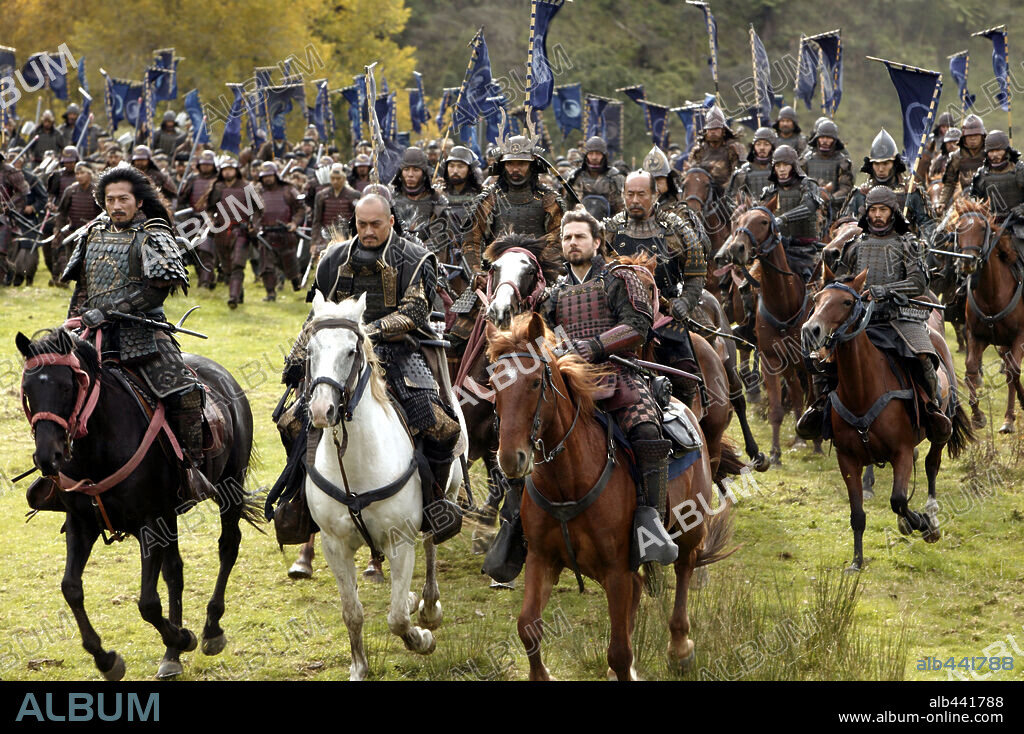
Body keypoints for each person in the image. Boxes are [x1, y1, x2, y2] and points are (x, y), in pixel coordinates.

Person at [281, 193, 462, 542]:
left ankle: (434, 504)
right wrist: (297, 356)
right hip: (338, 354)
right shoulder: (333, 258)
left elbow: (414, 312)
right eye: (361, 224)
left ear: (390, 221)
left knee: (440, 426)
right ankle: (302, 504)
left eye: (375, 224)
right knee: (291, 421)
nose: (367, 231)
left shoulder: (414, 257)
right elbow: (317, 315)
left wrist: (366, 332)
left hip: (400, 353)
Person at [60, 165, 218, 502]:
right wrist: (73, 325)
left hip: (143, 333)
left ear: (139, 202)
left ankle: (191, 470)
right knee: (58, 388)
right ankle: (59, 474)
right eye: (110, 199)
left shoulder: (155, 235)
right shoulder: (91, 234)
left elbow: (155, 291)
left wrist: (110, 310)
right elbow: (82, 289)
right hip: (92, 332)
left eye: (123, 199)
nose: (116, 205)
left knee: (184, 391)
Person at [549, 207, 679, 564]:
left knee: (647, 432)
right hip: (568, 380)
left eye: (579, 236)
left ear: (597, 241)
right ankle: (517, 524)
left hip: (618, 373)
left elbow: (638, 324)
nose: (572, 243)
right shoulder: (555, 292)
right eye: (566, 237)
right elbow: (545, 335)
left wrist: (595, 345)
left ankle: (650, 525)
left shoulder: (618, 278)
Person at [798, 186, 953, 444]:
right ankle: (820, 405)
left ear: (892, 212)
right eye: (873, 210)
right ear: (866, 213)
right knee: (822, 358)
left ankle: (931, 409)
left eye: (882, 210)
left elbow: (917, 283)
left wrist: (886, 289)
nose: (877, 215)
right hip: (859, 320)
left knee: (924, 356)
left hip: (899, 317)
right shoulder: (856, 245)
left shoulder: (908, 244)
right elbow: (843, 281)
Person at [602, 171, 707, 406]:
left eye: (641, 194)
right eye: (630, 194)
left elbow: (696, 273)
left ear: (655, 194)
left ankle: (686, 426)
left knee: (685, 373)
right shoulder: (609, 230)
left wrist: (685, 302)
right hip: (619, 317)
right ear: (623, 195)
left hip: (665, 318)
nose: (635, 200)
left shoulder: (676, 228)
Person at [843, 128, 934, 242]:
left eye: (886, 163)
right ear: (871, 165)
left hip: (905, 253)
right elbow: (845, 224)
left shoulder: (910, 191)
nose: (881, 169)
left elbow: (928, 224)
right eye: (877, 164)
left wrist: (923, 244)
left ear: (894, 164)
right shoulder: (860, 193)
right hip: (866, 252)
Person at [758, 145, 822, 282]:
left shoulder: (808, 185)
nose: (781, 169)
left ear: (793, 166)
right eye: (778, 165)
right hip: (775, 247)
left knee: (813, 285)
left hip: (804, 250)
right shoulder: (770, 191)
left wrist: (783, 218)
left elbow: (809, 206)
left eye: (785, 165)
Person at [197, 157, 253, 308]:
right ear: (221, 171)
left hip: (240, 231)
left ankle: (233, 298)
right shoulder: (218, 187)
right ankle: (238, 293)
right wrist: (210, 220)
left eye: (230, 169)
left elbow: (258, 209)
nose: (228, 172)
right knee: (227, 267)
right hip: (221, 231)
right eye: (225, 169)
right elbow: (209, 208)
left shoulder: (245, 187)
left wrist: (254, 225)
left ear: (236, 170)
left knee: (237, 265)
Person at [252, 161, 304, 301]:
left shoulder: (288, 189)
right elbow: (255, 212)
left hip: (285, 232)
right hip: (267, 233)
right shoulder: (258, 192)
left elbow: (300, 209)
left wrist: (294, 223)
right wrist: (256, 227)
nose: (267, 179)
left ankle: (296, 283)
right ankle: (270, 293)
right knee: (266, 265)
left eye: (270, 175)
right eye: (265, 176)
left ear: (275, 175)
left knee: (289, 261)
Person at [969, 129, 1024, 260]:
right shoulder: (981, 175)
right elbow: (973, 199)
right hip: (990, 227)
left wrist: (1022, 209)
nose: (994, 155)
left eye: (998, 150)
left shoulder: (1020, 171)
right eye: (991, 151)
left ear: (1006, 150)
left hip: (1018, 226)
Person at [390, 146, 450, 257]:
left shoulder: (437, 201)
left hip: (425, 258)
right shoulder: (390, 199)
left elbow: (438, 241)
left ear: (423, 172)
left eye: (416, 170)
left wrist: (415, 253)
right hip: (393, 256)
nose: (410, 174)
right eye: (406, 169)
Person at [52, 162, 102, 282]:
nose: (79, 176)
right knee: (60, 250)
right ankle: (62, 279)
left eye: (82, 173)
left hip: (91, 232)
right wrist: (58, 229)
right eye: (77, 173)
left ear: (89, 174)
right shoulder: (71, 190)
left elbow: (102, 214)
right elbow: (61, 213)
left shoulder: (97, 191)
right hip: (72, 229)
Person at [177, 150, 220, 288]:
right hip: (193, 220)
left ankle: (205, 282)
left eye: (209, 164)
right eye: (204, 164)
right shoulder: (193, 179)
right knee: (193, 251)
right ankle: (207, 277)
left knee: (206, 251)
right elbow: (182, 199)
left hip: (212, 221)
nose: (206, 167)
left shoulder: (219, 180)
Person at [800, 119, 853, 222]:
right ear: (817, 139)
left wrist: (830, 198)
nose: (825, 141)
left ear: (834, 140)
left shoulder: (842, 162)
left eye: (828, 138)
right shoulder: (806, 160)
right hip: (808, 206)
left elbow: (846, 187)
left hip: (834, 209)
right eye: (822, 137)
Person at [310, 162, 361, 260]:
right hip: (326, 237)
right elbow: (317, 221)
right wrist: (314, 242)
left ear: (344, 179)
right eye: (333, 179)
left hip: (347, 237)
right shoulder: (321, 196)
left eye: (338, 179)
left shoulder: (354, 195)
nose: (335, 181)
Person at [566, 135, 625, 218]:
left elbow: (622, 207)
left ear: (604, 155)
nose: (594, 157)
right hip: (580, 223)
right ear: (586, 155)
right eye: (591, 153)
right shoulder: (575, 176)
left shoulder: (614, 177)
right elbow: (567, 206)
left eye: (598, 154)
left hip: (609, 224)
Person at [938, 113, 987, 213]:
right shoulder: (957, 156)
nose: (973, 138)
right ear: (964, 137)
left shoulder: (990, 154)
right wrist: (942, 202)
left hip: (989, 200)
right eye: (969, 136)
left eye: (976, 135)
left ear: (982, 136)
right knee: (943, 226)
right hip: (964, 199)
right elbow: (949, 183)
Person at [686, 106, 745, 188]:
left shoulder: (734, 148)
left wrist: (726, 189)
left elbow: (739, 175)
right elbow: (692, 173)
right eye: (710, 129)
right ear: (706, 131)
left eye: (716, 129)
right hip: (704, 191)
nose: (713, 132)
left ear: (723, 130)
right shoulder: (699, 150)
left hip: (727, 193)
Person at [0, 148, 30, 285]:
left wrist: (8, 205)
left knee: (1, 252)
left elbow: (23, 191)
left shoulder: (10, 171)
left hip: (4, 217)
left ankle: (4, 276)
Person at [728, 126, 777, 203]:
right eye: (758, 144)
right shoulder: (744, 171)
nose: (762, 148)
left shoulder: (778, 169)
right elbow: (732, 198)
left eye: (766, 144)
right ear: (754, 147)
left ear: (772, 147)